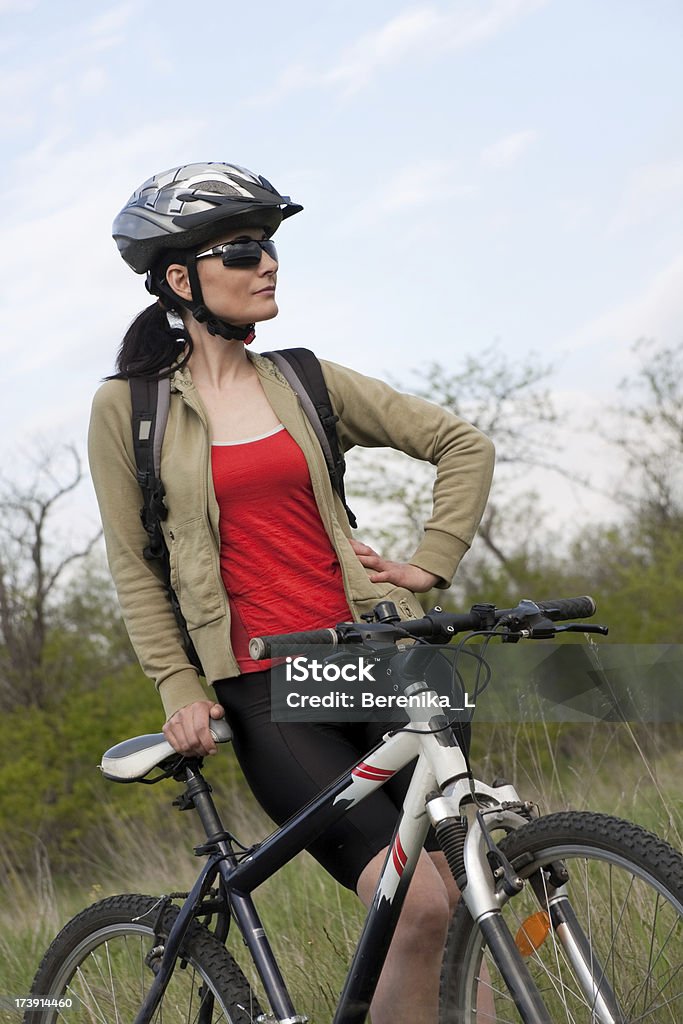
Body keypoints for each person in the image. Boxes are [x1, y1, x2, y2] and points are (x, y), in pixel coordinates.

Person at [88, 161, 495, 1024]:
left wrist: (430, 559)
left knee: (465, 902)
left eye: (269, 246)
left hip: (376, 658)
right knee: (414, 903)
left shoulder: (306, 381)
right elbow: (133, 562)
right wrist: (177, 683)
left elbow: (460, 443)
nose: (267, 262)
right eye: (242, 250)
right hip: (266, 686)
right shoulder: (131, 410)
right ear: (179, 279)